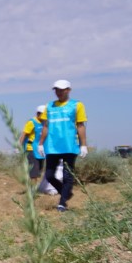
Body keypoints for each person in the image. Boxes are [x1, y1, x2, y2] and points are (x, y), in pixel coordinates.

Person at [38, 79, 88, 212]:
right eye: (56, 90)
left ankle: (62, 203)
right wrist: (41, 144)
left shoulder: (76, 105)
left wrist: (83, 145)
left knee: (67, 176)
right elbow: (45, 126)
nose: (59, 92)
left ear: (68, 90)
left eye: (62, 89)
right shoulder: (49, 106)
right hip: (52, 146)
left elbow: (80, 125)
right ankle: (65, 193)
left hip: (69, 146)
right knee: (49, 175)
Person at [19, 105, 46, 186]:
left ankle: (34, 185)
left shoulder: (45, 123)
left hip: (40, 150)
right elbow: (23, 134)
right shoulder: (32, 122)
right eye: (43, 114)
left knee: (40, 170)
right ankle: (33, 190)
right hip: (30, 149)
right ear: (38, 113)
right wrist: (18, 147)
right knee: (34, 170)